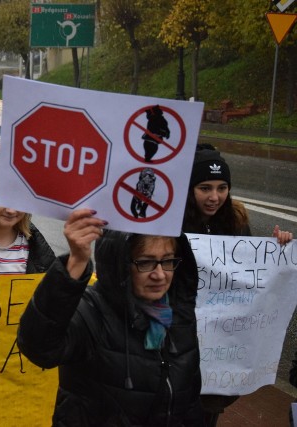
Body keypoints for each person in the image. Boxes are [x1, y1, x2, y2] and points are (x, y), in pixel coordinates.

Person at [17, 211, 205, 426]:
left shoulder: (178, 315)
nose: (160, 274)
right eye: (146, 262)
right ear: (120, 263)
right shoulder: (90, 311)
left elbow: (190, 401)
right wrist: (76, 262)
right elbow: (39, 347)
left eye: (168, 260)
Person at [182, 143, 292, 426]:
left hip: (218, 352)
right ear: (188, 188)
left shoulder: (237, 221)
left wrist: (279, 249)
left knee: (207, 414)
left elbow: (251, 282)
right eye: (204, 188)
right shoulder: (172, 225)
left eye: (222, 187)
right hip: (180, 342)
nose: (214, 197)